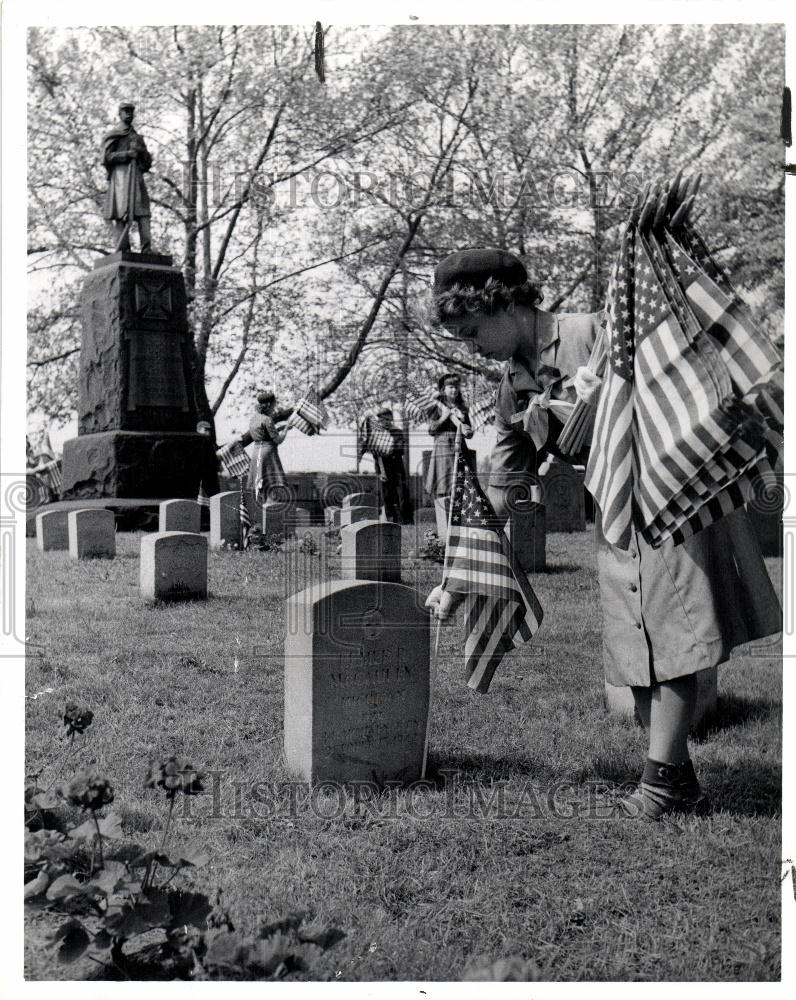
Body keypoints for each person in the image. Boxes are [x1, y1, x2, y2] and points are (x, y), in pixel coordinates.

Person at [424, 248, 780, 820]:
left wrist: (610, 396)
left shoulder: (595, 331)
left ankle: (663, 784)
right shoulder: (513, 381)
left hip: (667, 499)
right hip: (614, 512)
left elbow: (679, 389)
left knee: (671, 636)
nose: (472, 348)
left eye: (472, 331)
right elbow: (504, 479)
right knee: (634, 643)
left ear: (501, 302)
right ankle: (678, 780)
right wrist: (460, 571)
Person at [102, 101, 153, 253]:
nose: (129, 114)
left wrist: (142, 153)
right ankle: (124, 249)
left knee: (143, 212)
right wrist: (126, 155)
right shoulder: (113, 135)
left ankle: (147, 248)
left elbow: (147, 162)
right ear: (120, 113)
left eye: (131, 111)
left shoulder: (137, 137)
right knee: (120, 213)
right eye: (125, 111)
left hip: (136, 178)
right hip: (120, 178)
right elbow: (106, 157)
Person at [424, 373, 475, 499]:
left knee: (461, 484)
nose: (454, 390)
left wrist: (462, 420)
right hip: (443, 448)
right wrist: (444, 417)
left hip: (460, 446)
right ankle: (444, 515)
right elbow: (431, 430)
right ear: (443, 390)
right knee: (444, 485)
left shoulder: (462, 409)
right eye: (451, 387)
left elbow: (469, 434)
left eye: (456, 387)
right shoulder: (436, 407)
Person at [370, 404, 414, 524]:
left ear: (391, 419)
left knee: (402, 493)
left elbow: (401, 450)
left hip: (397, 466)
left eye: (387, 419)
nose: (384, 421)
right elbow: (376, 455)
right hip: (384, 466)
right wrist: (379, 472)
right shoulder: (375, 435)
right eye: (381, 419)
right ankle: (390, 520)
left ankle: (407, 520)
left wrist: (388, 445)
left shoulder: (397, 432)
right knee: (387, 495)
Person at [247, 391, 288, 509]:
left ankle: (265, 505)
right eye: (274, 405)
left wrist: (278, 428)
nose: (274, 407)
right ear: (269, 405)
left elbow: (262, 433)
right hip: (268, 452)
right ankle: (271, 504)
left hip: (256, 451)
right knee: (271, 481)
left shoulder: (253, 419)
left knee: (262, 482)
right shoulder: (267, 419)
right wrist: (285, 431)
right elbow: (277, 440)